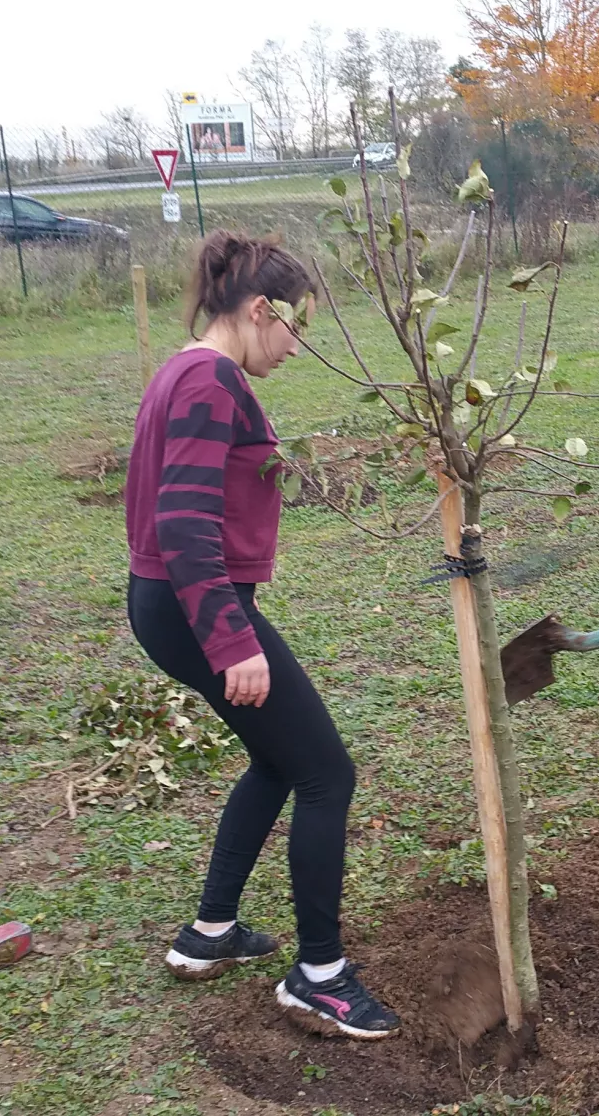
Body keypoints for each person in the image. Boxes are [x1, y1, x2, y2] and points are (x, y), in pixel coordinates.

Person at [123, 229, 399, 1039]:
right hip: (192, 604)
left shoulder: (181, 368)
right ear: (256, 310)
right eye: (296, 326)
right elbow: (182, 522)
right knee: (326, 774)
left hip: (166, 602)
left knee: (279, 761)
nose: (299, 346)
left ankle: (210, 932)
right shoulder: (210, 380)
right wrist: (232, 637)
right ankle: (320, 974)